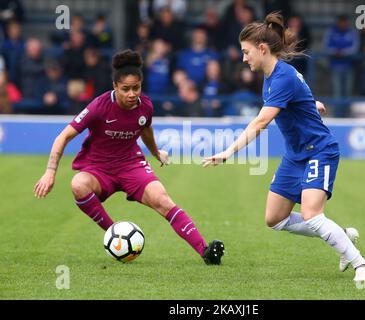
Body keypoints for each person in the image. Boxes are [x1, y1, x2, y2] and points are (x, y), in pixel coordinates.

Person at [202, 12, 365, 283]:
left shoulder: (280, 76)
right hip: (296, 155)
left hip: (319, 150)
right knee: (274, 219)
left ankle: (362, 265)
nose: (244, 57)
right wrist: (312, 103)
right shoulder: (273, 74)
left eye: (246, 52)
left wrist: (228, 152)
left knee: (311, 213)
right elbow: (298, 95)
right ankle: (339, 234)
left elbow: (261, 120)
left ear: (262, 49)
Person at [34, 49, 224, 265]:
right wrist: (50, 172)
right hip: (99, 169)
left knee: (163, 201)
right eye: (126, 89)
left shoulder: (145, 106)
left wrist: (155, 152)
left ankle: (205, 251)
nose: (132, 94)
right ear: (115, 87)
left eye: (136, 88)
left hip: (131, 165)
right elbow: (63, 136)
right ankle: (115, 233)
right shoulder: (99, 106)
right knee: (78, 184)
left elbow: (145, 129)